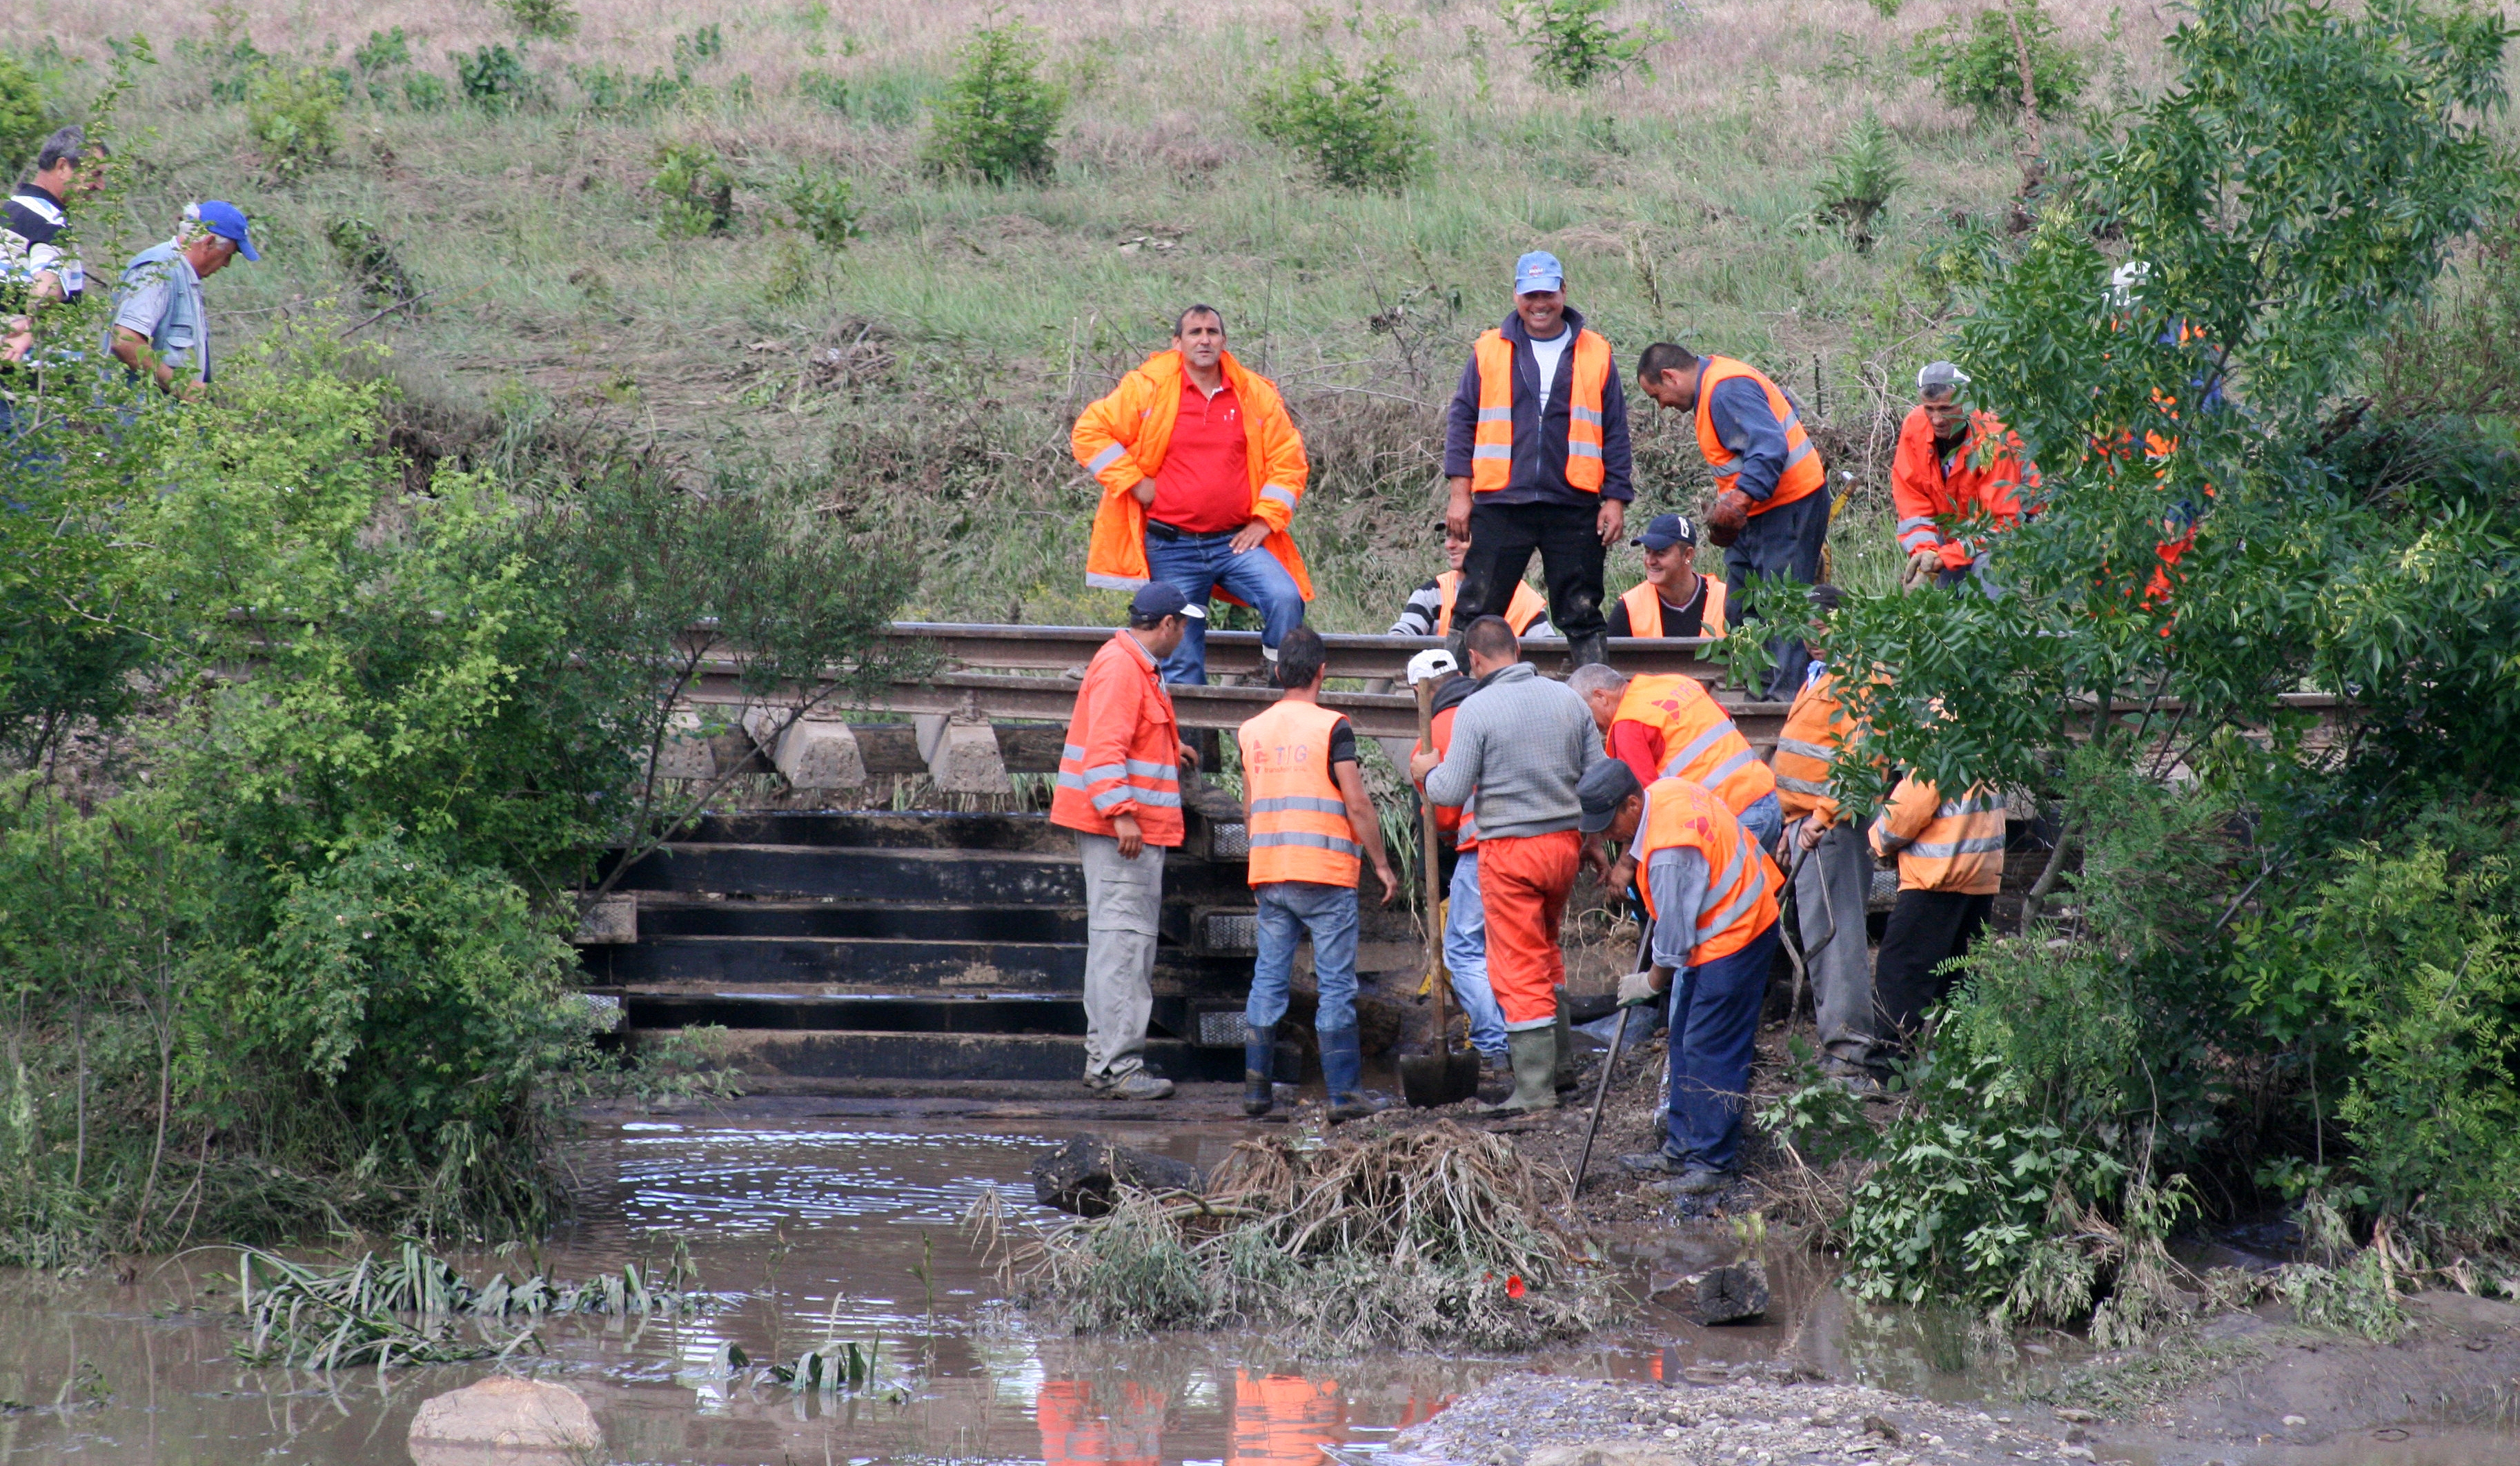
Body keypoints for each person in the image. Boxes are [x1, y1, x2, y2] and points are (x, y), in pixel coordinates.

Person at [1410, 615, 1601, 1112]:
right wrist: (1594, 841)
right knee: (1548, 952)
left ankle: (1533, 1090)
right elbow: (1600, 778)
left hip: (1510, 852)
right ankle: (1560, 1071)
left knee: (1519, 967)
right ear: (1516, 648)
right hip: (1563, 846)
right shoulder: (1568, 698)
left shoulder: (1478, 708)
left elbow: (1450, 792)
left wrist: (1425, 774)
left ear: (1473, 660)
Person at [1074, 304, 1312, 685]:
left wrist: (1265, 520)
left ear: (1224, 341)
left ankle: (1277, 688)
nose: (1205, 339)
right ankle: (1189, 746)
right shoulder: (1147, 387)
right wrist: (1136, 482)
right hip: (1173, 547)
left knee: (1285, 597)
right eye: (1195, 332)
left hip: (1235, 543)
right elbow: (1089, 432)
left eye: (1212, 332)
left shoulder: (1254, 394)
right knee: (1181, 666)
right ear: (1177, 342)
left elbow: (1289, 461)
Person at [1584, 759, 1784, 1198]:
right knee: (1683, 1038)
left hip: (1737, 932)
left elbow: (1674, 941)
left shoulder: (1670, 853)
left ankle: (1711, 1161)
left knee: (1711, 1045)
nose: (1604, 836)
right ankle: (1681, 1147)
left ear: (1633, 804)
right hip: (1723, 917)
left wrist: (1651, 984)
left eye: (1609, 824)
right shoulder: (1666, 792)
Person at [1237, 626, 1401, 1123]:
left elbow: (1249, 809)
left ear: (1279, 672)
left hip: (1271, 872)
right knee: (1335, 986)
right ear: (1322, 672)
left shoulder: (1252, 730)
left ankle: (1256, 1093)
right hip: (1326, 876)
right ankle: (1344, 1096)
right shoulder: (1333, 727)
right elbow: (1356, 801)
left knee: (1267, 983)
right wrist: (1380, 863)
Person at [1440, 250, 1635, 669]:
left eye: (1547, 292)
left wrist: (1615, 499)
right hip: (1501, 503)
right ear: (1516, 296)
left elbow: (1616, 430)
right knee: (1475, 606)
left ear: (1564, 292)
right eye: (1530, 295)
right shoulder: (1489, 349)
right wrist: (1460, 494)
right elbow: (1462, 423)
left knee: (1581, 610)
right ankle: (1445, 699)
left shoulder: (1596, 352)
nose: (1539, 303)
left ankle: (1595, 698)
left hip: (1573, 505)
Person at [1050, 583, 1206, 1100]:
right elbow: (1104, 750)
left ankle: (1105, 1061)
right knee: (1125, 945)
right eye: (1183, 625)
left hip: (1119, 830)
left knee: (1114, 943)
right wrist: (1121, 814)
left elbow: (1129, 734)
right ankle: (1119, 1067)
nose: (1185, 634)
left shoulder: (1132, 663)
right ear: (1166, 624)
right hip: (1121, 835)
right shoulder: (1123, 668)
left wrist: (1169, 748)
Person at [1633, 343, 1827, 698]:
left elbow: (1769, 445)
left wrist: (1738, 501)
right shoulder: (1718, 385)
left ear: (1669, 376)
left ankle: (1785, 699)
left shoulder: (1725, 389)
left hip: (1788, 507)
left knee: (1782, 604)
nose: (1661, 405)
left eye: (1657, 395)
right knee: (1743, 604)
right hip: (1761, 512)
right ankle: (1760, 688)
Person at [1773, 585, 1880, 1088]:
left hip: (1830, 829)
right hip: (1809, 826)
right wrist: (1792, 822)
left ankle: (1851, 1053)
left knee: (1837, 940)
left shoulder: (1860, 676)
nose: (1813, 639)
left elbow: (1865, 756)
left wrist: (1821, 815)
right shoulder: (1824, 674)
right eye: (1806, 630)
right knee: (1821, 937)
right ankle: (1837, 1047)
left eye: (1821, 628)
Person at [1407, 647, 1510, 1075]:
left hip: (1480, 851)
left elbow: (1442, 814)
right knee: (1513, 948)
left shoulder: (1432, 735)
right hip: (1535, 844)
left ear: (1421, 690)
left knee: (1464, 951)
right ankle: (1533, 1044)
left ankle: (1493, 1046)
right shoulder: (1498, 706)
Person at [1566, 664, 1782, 852]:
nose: (1593, 726)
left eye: (1588, 715)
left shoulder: (1627, 724)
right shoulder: (1674, 682)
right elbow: (1726, 722)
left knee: (1723, 896)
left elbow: (1640, 809)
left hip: (1732, 815)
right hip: (1768, 794)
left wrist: (1625, 865)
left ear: (1600, 696)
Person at [1868, 772, 2007, 1051]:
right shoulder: (1983, 734)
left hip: (1938, 876)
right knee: (1956, 982)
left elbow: (1899, 819)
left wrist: (1876, 841)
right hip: (1977, 877)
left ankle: (1888, 1070)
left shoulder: (1937, 737)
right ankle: (1959, 1063)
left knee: (1901, 976)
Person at [1891, 362, 2037, 592]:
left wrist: (1945, 557)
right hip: (1959, 529)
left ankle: (1998, 626)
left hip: (2013, 528)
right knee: (1940, 593)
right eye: (1929, 409)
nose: (1937, 419)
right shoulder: (1915, 426)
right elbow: (1912, 502)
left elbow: (2001, 521)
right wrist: (1926, 553)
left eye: (1946, 408)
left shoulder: (1994, 437)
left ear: (1968, 402)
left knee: (1988, 569)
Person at [109, 201, 259, 400]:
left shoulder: (185, 275)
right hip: (138, 418)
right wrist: (180, 385)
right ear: (208, 243)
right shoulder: (158, 270)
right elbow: (125, 341)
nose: (227, 264)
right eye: (228, 255)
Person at [3, 127, 92, 365]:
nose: (101, 185)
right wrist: (30, 329)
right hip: (28, 387)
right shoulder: (51, 223)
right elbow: (47, 290)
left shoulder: (7, 213)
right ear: (63, 167)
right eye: (95, 174)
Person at [1388, 518, 1555, 639]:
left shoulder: (1523, 599)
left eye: (1461, 537)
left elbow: (1546, 654)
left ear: (1488, 542)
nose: (1449, 545)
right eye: (1448, 536)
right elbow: (1400, 639)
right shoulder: (1431, 593)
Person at [1606, 512, 1728, 639]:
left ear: (1688, 555)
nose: (1650, 561)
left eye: (1661, 553)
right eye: (1647, 551)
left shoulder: (1726, 599)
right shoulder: (1629, 607)